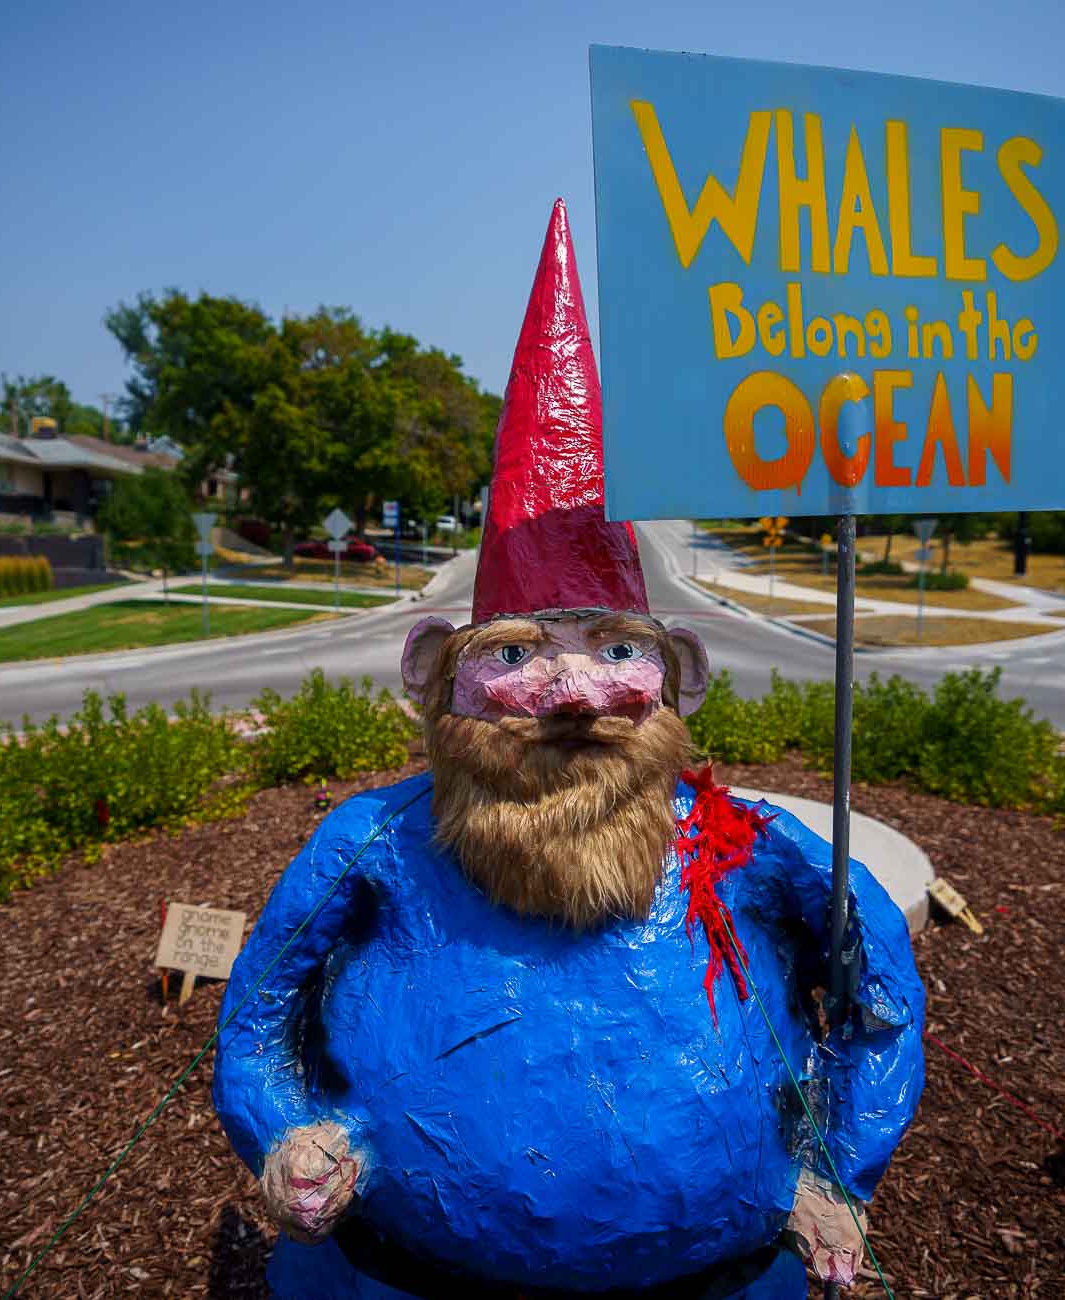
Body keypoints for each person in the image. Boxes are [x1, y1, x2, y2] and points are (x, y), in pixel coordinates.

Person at [212, 201, 923, 1299]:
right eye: (519, 652)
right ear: (432, 671)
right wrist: (286, 1131)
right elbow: (257, 1015)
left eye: (616, 648)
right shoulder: (375, 845)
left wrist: (837, 1164)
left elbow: (877, 993)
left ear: (678, 669)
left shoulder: (744, 846)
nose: (575, 692)